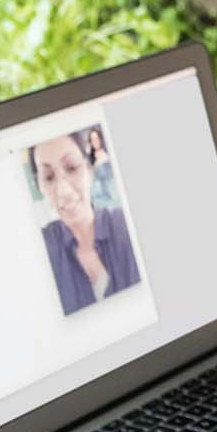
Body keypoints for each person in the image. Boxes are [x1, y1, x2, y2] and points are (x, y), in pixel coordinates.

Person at [30, 129, 141, 316]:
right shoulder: (40, 248)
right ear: (40, 186)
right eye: (49, 177)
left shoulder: (127, 225)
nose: (63, 191)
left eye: (72, 168)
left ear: (89, 170)